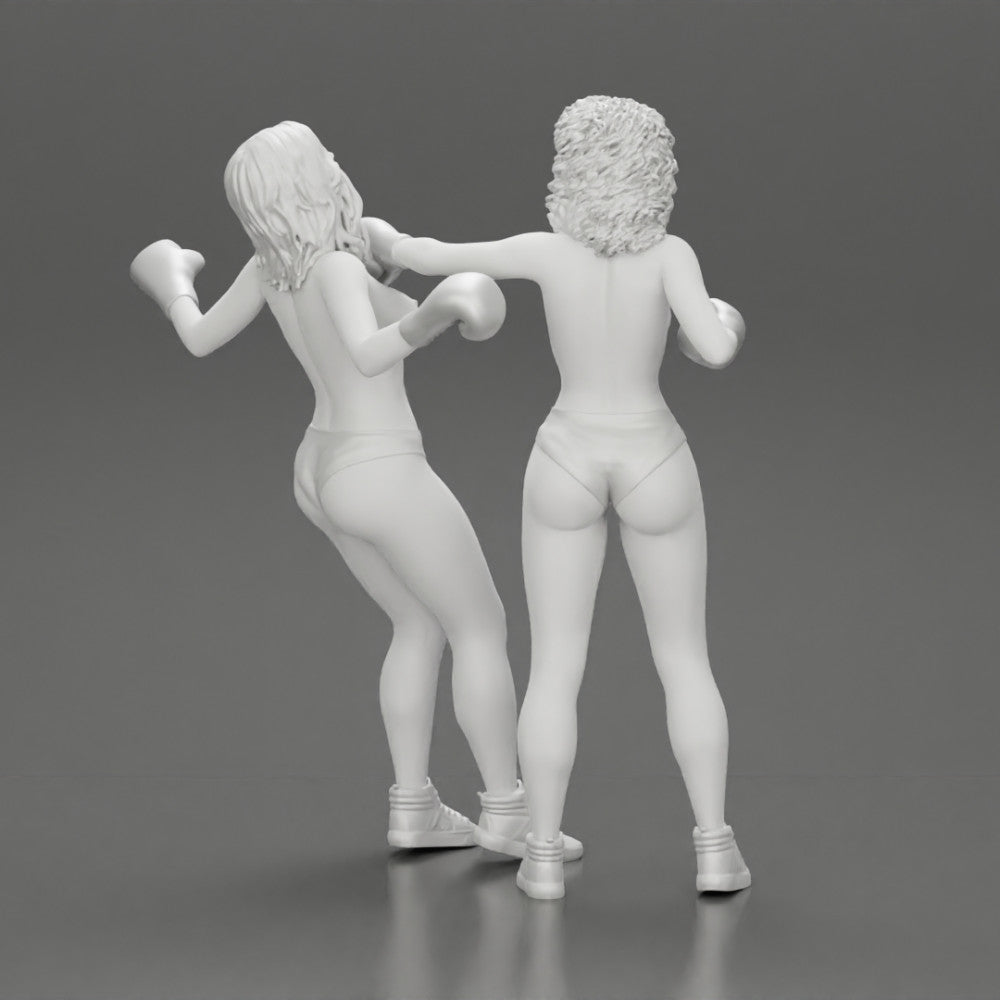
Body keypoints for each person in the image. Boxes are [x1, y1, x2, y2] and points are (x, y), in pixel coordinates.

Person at [129, 121, 582, 860]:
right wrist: (435, 314)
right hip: (381, 464)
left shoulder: (272, 268)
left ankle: (415, 808)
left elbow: (200, 337)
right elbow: (372, 352)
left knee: (416, 625)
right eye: (325, 157)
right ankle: (508, 813)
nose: (338, 161)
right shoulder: (335, 267)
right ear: (309, 182)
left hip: (320, 464)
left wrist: (174, 281)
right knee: (480, 626)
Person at [365, 96, 751, 899]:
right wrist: (719, 320)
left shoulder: (545, 251)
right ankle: (714, 849)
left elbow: (429, 254)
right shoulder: (672, 255)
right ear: (655, 170)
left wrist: (378, 239)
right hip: (653, 453)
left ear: (570, 168)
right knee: (684, 659)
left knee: (554, 664)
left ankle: (540, 853)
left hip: (565, 455)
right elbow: (715, 350)